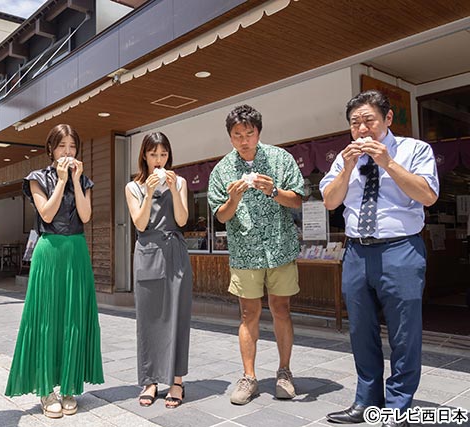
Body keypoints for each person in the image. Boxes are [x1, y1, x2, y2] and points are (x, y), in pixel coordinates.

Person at [320, 90, 439, 427]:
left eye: (368, 120)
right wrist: (345, 168)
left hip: (400, 249)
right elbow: (330, 201)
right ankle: (366, 401)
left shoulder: (416, 150)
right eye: (355, 122)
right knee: (361, 331)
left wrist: (387, 162)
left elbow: (428, 195)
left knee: (404, 334)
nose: (362, 128)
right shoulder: (343, 158)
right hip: (356, 251)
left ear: (387, 119)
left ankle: (398, 406)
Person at [5, 124, 104, 418]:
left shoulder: (83, 180)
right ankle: (46, 389)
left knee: (74, 317)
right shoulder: (36, 179)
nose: (68, 152)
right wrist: (61, 181)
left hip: (76, 251)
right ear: (50, 149)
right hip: (49, 251)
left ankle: (70, 387)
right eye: (62, 146)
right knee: (46, 317)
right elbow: (46, 213)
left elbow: (86, 215)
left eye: (72, 146)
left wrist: (74, 180)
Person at [207, 105, 304, 405]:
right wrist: (233, 199)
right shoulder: (222, 170)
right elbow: (221, 216)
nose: (244, 140)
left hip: (280, 248)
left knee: (281, 309)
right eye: (238, 135)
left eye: (249, 133)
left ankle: (284, 372)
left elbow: (298, 199)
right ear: (230, 136)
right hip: (245, 252)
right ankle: (249, 377)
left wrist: (274, 190)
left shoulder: (279, 159)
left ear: (258, 132)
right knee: (248, 313)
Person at [125, 132, 193, 409]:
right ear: (144, 155)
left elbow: (182, 219)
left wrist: (174, 189)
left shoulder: (181, 181)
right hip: (147, 253)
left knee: (178, 315)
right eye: (153, 154)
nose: (158, 160)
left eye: (163, 154)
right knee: (148, 319)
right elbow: (140, 224)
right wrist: (150, 190)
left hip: (175, 252)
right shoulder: (133, 187)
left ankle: (176, 381)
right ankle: (150, 380)